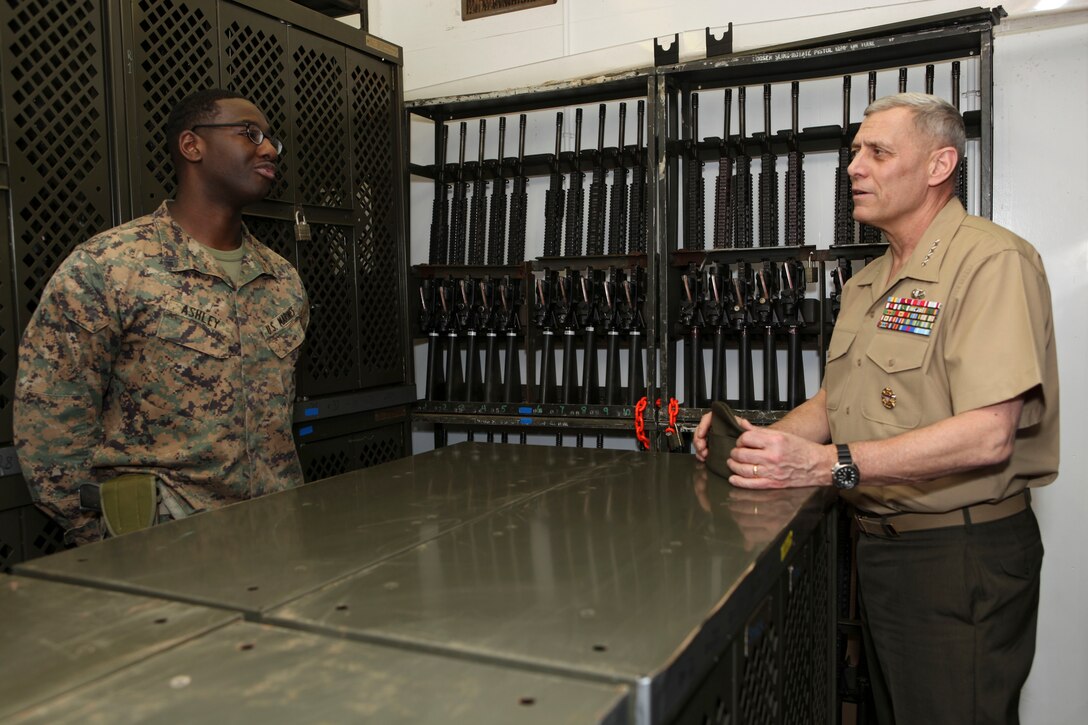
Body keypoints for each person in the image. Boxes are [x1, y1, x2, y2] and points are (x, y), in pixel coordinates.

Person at [693, 93, 1058, 724]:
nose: (853, 167)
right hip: (881, 552)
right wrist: (763, 446)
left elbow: (989, 435)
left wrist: (826, 467)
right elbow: (838, 404)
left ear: (940, 166)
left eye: (878, 152)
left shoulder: (991, 262)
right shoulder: (867, 283)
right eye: (855, 151)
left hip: (960, 558)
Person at [14, 89, 309, 545]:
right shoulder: (110, 265)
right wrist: (107, 534)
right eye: (250, 134)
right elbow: (50, 422)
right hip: (164, 544)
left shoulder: (280, 278)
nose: (268, 148)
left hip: (274, 532)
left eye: (271, 139)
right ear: (192, 146)